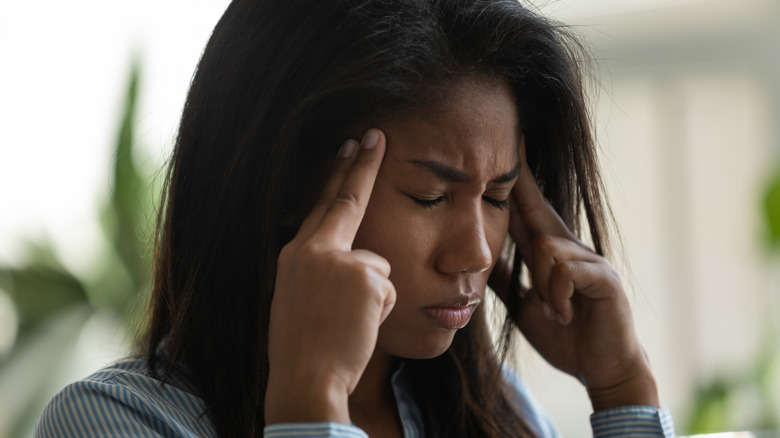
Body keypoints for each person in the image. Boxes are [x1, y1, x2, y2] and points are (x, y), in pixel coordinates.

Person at [35, 0, 676, 436]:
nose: (479, 254)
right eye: (429, 195)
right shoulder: (116, 419)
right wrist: (311, 403)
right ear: (285, 184)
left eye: (497, 198)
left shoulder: (495, 411)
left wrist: (622, 389)